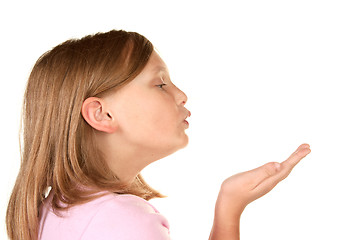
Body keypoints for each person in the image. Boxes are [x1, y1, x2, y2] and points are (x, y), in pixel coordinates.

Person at [6, 29, 311, 240]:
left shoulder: (52, 210)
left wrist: (230, 203)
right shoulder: (125, 221)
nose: (182, 95)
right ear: (102, 114)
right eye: (160, 84)